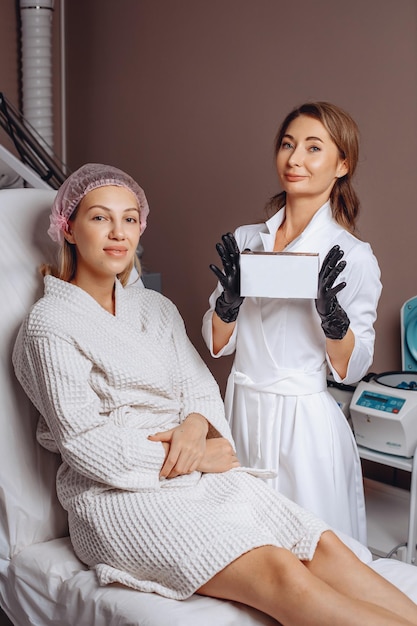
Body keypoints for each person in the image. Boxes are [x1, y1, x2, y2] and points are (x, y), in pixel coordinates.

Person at [13, 163, 417, 626]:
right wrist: (199, 456)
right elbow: (88, 446)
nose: (117, 232)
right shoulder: (51, 324)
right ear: (68, 227)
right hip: (117, 499)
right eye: (100, 217)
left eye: (129, 219)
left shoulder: (155, 308)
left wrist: (193, 426)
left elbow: (200, 389)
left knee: (324, 547)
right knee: (281, 570)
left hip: (198, 477)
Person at [202, 102, 382, 544]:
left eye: (313, 148)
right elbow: (215, 343)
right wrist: (227, 304)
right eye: (287, 145)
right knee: (240, 548)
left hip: (305, 427)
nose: (294, 159)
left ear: (343, 164)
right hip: (240, 410)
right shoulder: (247, 240)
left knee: (312, 555)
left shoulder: (353, 256)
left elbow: (351, 369)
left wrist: (332, 319)